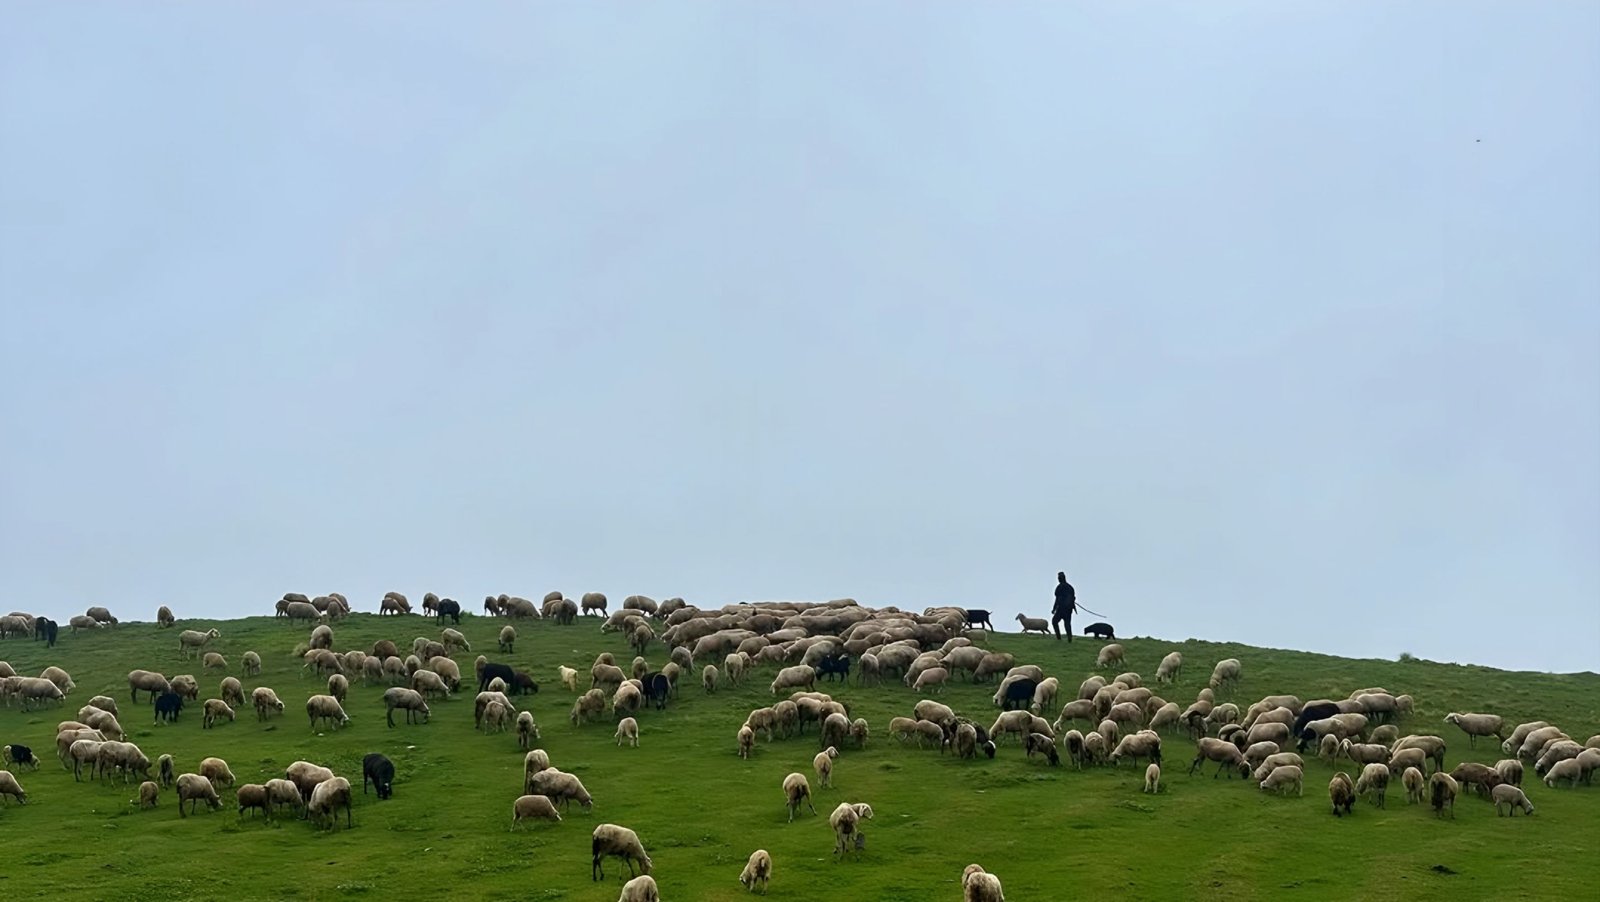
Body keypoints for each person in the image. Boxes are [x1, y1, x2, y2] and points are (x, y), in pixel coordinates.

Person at [1052, 571, 1077, 641]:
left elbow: (1057, 599)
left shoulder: (1059, 587)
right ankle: (1069, 638)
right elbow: (1073, 597)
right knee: (1067, 623)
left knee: (1054, 621)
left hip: (1061, 609)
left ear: (1059, 579)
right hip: (1069, 609)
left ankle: (1058, 637)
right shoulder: (1070, 587)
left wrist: (1054, 609)